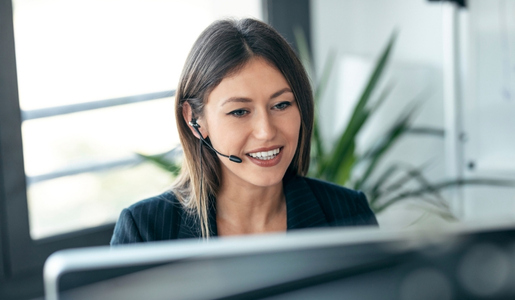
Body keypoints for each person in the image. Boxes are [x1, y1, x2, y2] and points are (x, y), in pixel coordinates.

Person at [110, 18, 377, 245]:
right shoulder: (146, 231)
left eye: (281, 104)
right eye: (239, 111)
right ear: (195, 120)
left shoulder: (348, 214)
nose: (265, 131)